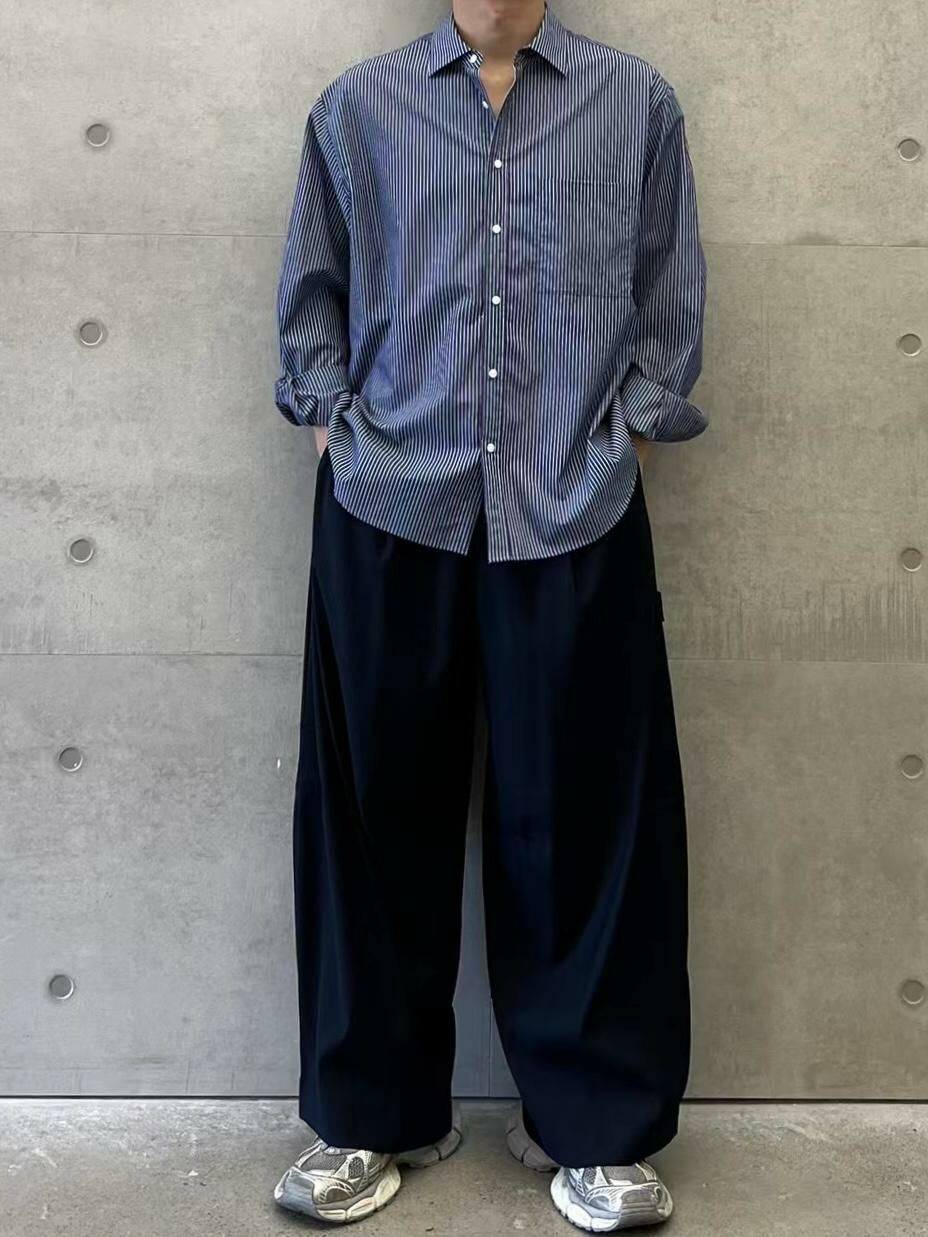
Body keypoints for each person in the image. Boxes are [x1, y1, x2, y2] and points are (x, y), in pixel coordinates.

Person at [270, 0, 708, 1229]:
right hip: (387, 505)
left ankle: (593, 1128)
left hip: (571, 505)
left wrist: (623, 438)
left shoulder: (634, 104)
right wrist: (334, 431)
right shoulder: (359, 108)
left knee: (586, 819)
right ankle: (370, 1117)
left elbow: (667, 297)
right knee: (371, 817)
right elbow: (310, 298)